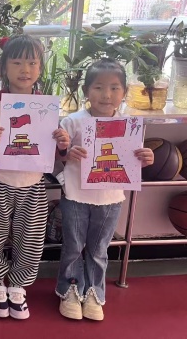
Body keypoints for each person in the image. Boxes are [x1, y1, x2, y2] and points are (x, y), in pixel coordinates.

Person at [0, 34, 70, 320]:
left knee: (31, 237)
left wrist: (63, 143)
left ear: (40, 67)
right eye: (17, 62)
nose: (25, 69)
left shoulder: (47, 106)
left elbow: (55, 151)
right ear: (4, 67)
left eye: (32, 63)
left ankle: (18, 285)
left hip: (33, 182)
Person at [56, 58, 154, 321]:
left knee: (99, 249)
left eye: (114, 88)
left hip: (111, 198)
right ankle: (70, 290)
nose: (106, 95)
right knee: (73, 247)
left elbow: (132, 161)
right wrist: (67, 152)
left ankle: (94, 293)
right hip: (75, 195)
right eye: (98, 87)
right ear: (86, 91)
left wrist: (146, 158)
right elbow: (57, 156)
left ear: (124, 92)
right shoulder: (73, 122)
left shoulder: (129, 126)